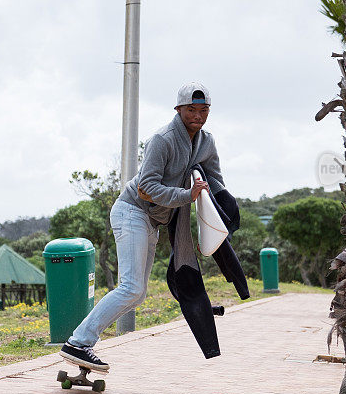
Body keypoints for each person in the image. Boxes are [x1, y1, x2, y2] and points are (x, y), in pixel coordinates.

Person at [60, 81, 225, 370]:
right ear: (179, 109)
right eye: (191, 110)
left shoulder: (206, 142)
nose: (197, 116)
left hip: (153, 220)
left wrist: (212, 227)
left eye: (203, 110)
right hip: (132, 211)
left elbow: (216, 184)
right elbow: (147, 188)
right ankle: (78, 342)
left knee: (137, 293)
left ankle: (80, 342)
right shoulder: (162, 139)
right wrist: (187, 195)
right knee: (131, 287)